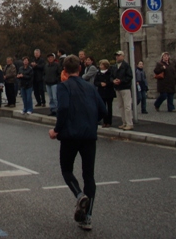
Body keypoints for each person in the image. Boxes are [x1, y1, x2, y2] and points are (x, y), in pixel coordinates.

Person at [49, 55, 106, 231]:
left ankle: (79, 195)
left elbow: (63, 108)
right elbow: (103, 110)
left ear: (64, 71)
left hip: (70, 136)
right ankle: (87, 217)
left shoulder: (63, 87)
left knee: (67, 169)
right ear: (80, 69)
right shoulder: (90, 87)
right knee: (89, 175)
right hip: (89, 136)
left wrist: (56, 130)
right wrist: (90, 121)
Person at [110, 50, 134, 131]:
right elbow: (111, 76)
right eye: (116, 55)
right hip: (117, 88)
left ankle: (129, 123)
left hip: (125, 87)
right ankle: (124, 122)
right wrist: (113, 81)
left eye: (119, 55)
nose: (117, 57)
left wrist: (121, 80)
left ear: (123, 56)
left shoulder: (126, 66)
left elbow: (129, 76)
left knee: (127, 106)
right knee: (121, 106)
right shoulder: (114, 66)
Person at [94, 60, 115, 128]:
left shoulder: (110, 73)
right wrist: (100, 84)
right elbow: (95, 82)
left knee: (109, 107)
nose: (100, 66)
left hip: (109, 92)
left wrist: (106, 84)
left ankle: (109, 121)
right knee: (103, 107)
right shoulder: (98, 73)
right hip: (101, 92)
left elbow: (112, 81)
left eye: (102, 65)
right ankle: (104, 121)